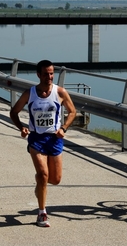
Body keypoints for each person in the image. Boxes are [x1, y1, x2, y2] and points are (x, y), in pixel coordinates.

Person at [9, 59, 76, 227]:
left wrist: (64, 128)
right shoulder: (29, 93)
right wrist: (21, 127)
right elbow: (14, 112)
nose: (49, 77)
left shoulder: (60, 92)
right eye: (46, 74)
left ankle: (40, 185)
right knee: (43, 174)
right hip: (36, 139)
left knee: (55, 179)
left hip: (54, 139)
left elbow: (73, 111)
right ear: (38, 75)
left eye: (52, 73)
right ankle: (42, 214)